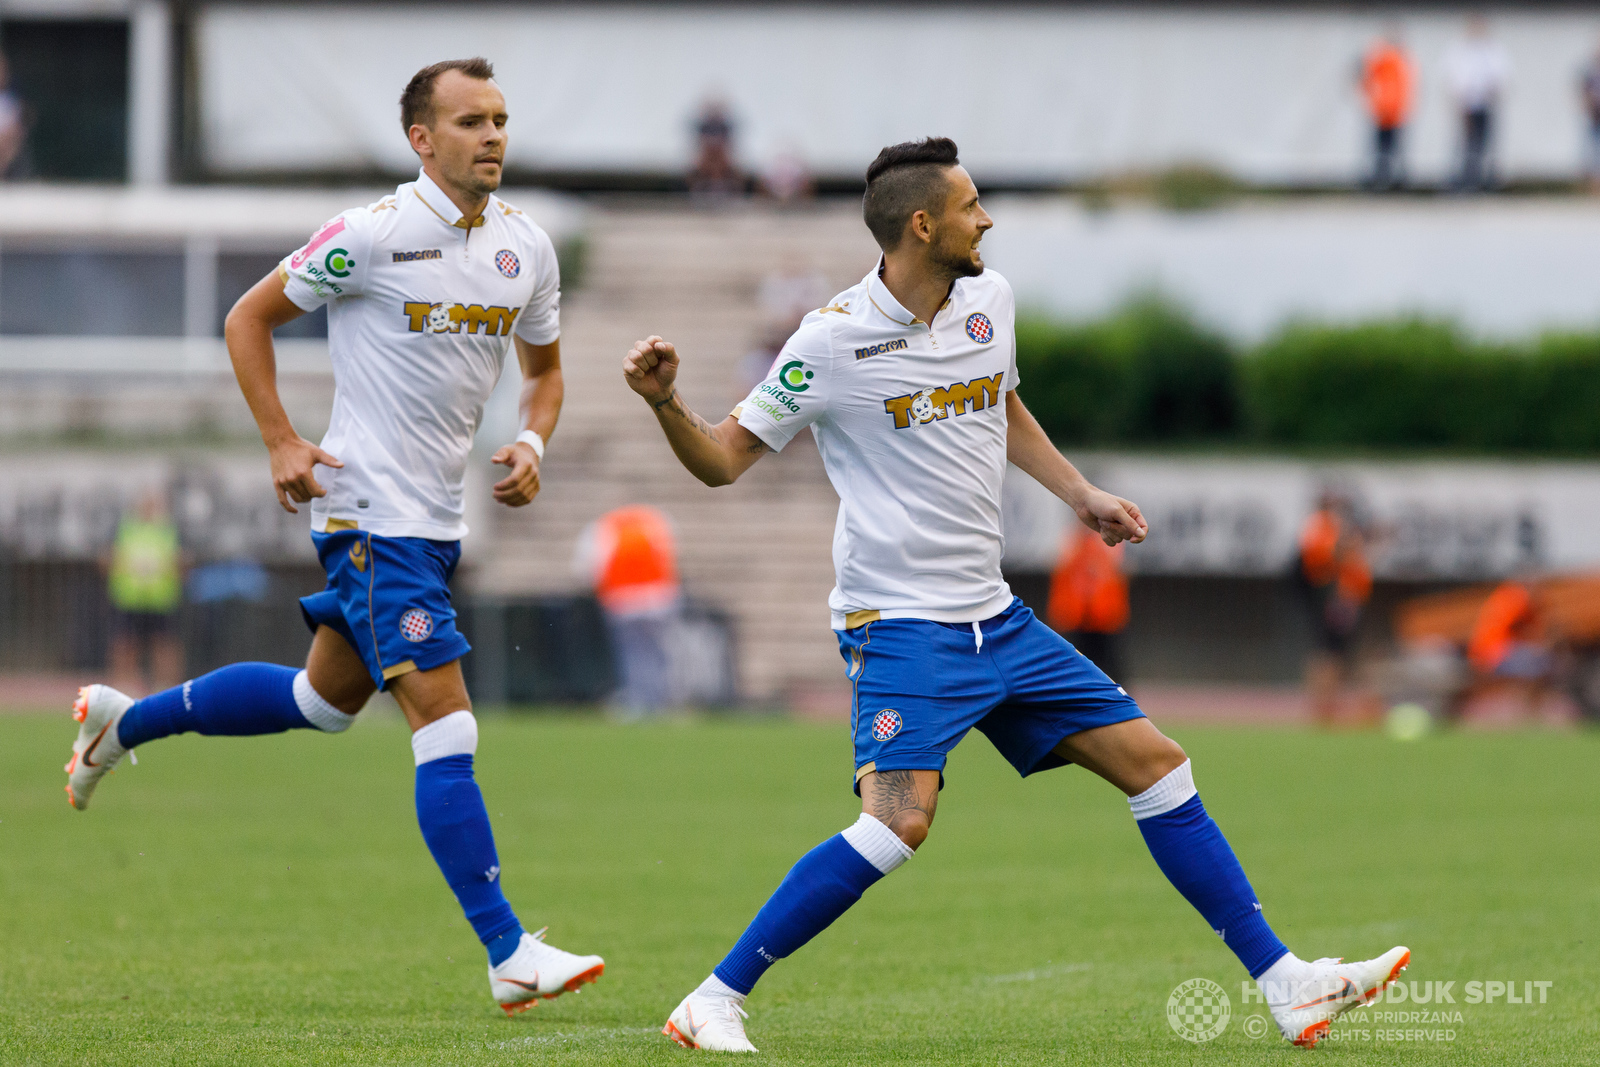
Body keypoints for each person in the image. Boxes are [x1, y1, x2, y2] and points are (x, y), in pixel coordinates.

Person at [622, 137, 1408, 1053]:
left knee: (1160, 765)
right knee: (897, 824)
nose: (986, 217)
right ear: (923, 224)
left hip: (997, 616)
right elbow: (722, 459)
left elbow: (1002, 405)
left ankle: (1286, 985)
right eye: (970, 205)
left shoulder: (990, 301)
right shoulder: (831, 339)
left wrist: (1082, 496)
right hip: (903, 626)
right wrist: (666, 403)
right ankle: (714, 996)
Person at [62, 57, 604, 1015]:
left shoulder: (528, 248)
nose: (493, 137)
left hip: (433, 524)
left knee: (320, 702)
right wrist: (281, 438)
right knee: (449, 722)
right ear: (422, 139)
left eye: (502, 119)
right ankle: (508, 950)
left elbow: (546, 372)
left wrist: (530, 439)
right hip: (369, 518)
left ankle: (122, 721)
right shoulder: (371, 237)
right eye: (471, 121)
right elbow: (248, 318)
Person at [573, 504, 683, 716]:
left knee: (631, 653)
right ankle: (662, 700)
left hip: (622, 601)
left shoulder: (604, 527)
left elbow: (588, 568)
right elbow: (671, 555)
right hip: (659, 599)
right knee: (657, 653)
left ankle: (639, 700)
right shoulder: (656, 520)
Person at [1297, 491, 1373, 726]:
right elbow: (1325, 558)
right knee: (1329, 652)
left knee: (1334, 653)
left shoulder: (1331, 526)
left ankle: (1328, 706)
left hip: (1341, 595)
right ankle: (1323, 708)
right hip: (1332, 594)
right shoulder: (1323, 526)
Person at [104, 490, 184, 694]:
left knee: (163, 644)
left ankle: (166, 687)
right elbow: (110, 557)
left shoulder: (167, 530)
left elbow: (180, 561)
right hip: (130, 597)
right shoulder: (126, 529)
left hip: (159, 598)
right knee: (126, 643)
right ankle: (123, 686)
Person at [1046, 525, 1129, 683]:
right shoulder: (1072, 541)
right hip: (1077, 616)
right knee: (1075, 666)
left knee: (1108, 665)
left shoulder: (1109, 544)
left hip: (1104, 616)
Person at [1445, 15, 1509, 192]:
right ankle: (1465, 180)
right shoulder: (1460, 49)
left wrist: (1494, 93)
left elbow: (1501, 77)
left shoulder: (1492, 49)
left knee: (1485, 143)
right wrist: (1458, 101)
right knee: (1466, 143)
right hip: (1467, 105)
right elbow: (1453, 79)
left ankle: (1485, 181)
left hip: (1486, 104)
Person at [1359, 29, 1413, 191]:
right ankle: (1383, 180)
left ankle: (1388, 181)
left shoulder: (1396, 58)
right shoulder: (1386, 58)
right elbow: (1366, 76)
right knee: (1384, 149)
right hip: (1385, 111)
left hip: (1392, 111)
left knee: (1387, 149)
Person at [1579, 43, 1600, 194]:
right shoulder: (1590, 73)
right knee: (1592, 152)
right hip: (1594, 117)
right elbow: (1584, 93)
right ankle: (1593, 187)